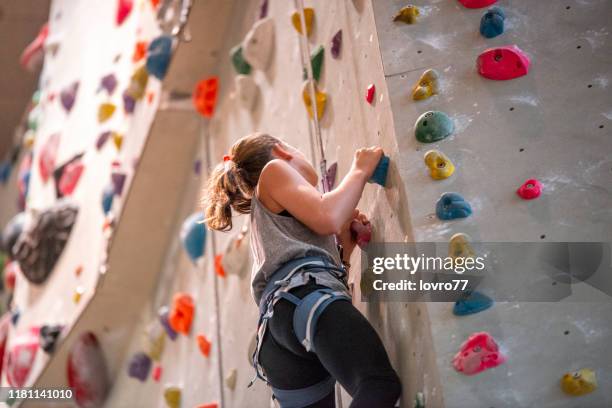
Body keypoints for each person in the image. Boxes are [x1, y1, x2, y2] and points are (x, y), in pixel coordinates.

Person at [204, 133, 401, 407]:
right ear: (282, 151)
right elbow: (328, 216)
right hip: (302, 303)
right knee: (377, 384)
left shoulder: (270, 228)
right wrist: (360, 169)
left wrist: (343, 250)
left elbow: (313, 256)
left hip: (280, 340)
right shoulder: (274, 171)